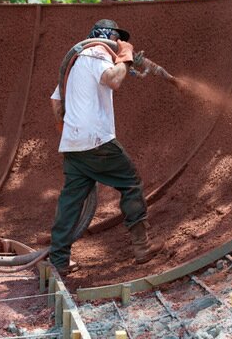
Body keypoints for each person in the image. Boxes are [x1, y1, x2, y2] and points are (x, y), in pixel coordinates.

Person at [49, 19, 164, 275]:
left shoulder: (74, 61)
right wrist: (124, 57)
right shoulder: (97, 52)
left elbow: (56, 102)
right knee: (130, 182)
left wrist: (66, 129)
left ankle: (58, 261)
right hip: (96, 140)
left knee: (71, 201)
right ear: (110, 37)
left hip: (73, 143)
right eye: (118, 40)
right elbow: (113, 80)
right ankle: (142, 247)